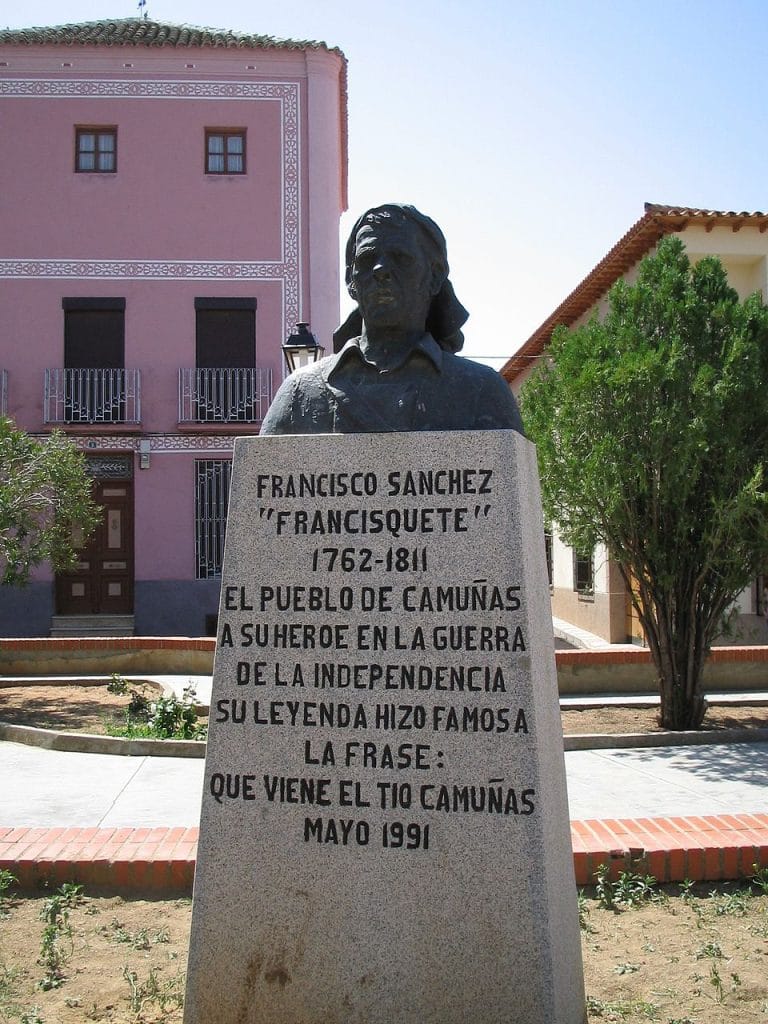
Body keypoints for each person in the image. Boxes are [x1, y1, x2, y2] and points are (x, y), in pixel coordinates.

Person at [260, 204, 524, 435]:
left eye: (401, 259)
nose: (381, 270)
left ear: (435, 276)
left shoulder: (481, 391)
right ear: (350, 281)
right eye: (367, 259)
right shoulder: (299, 393)